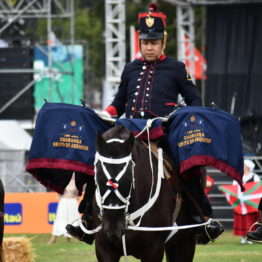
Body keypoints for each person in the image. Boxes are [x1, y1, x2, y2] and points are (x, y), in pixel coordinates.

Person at [66, 3, 223, 244]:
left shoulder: (177, 68)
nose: (149, 46)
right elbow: (118, 102)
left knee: (186, 165)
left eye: (154, 42)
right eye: (146, 42)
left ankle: (200, 217)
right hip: (128, 132)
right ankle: (87, 218)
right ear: (140, 42)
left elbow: (194, 100)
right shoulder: (130, 68)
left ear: (163, 42)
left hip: (161, 132)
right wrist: (103, 114)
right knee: (96, 161)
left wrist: (179, 116)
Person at [232, 159, 260, 244]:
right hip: (241, 204)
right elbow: (234, 188)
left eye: (244, 166)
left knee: (251, 220)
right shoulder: (239, 176)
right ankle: (243, 237)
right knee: (242, 221)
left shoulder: (254, 177)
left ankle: (251, 236)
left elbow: (258, 188)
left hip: (250, 204)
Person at [48, 173, 80, 244]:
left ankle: (73, 237)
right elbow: (58, 191)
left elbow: (78, 193)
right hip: (64, 202)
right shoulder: (62, 181)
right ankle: (53, 238)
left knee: (73, 219)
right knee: (61, 219)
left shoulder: (77, 182)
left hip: (73, 202)